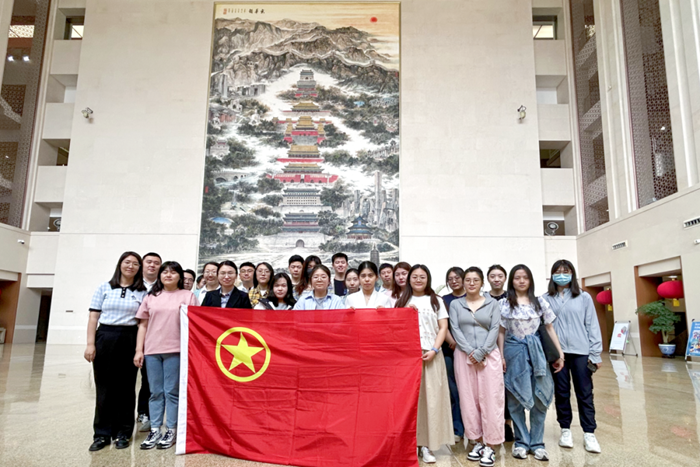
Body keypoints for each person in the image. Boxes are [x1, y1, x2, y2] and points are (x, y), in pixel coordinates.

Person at [497, 264, 565, 461]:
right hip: (513, 352)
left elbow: (549, 328)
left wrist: (559, 353)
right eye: (517, 277)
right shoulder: (504, 304)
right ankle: (521, 442)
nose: (521, 281)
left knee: (540, 396)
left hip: (537, 353)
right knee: (515, 398)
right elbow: (501, 332)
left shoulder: (540, 302)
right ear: (512, 281)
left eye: (525, 277)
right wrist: (501, 356)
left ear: (530, 280)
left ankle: (537, 442)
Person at [84, 251, 148, 451]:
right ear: (120, 264)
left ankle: (123, 433)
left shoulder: (143, 292)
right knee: (104, 387)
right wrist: (90, 344)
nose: (131, 266)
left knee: (127, 388)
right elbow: (93, 318)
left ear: (139, 268)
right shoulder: (104, 287)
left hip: (130, 337)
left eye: (135, 263)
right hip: (105, 336)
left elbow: (143, 323)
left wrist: (139, 350)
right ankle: (102, 434)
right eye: (127, 262)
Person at [134, 261, 197, 450]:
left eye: (173, 272)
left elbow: (195, 324)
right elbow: (143, 325)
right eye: (165, 272)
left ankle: (171, 429)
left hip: (176, 351)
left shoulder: (188, 296)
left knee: (171, 391)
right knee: (155, 392)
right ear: (160, 276)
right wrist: (139, 350)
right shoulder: (151, 297)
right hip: (152, 350)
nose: (168, 275)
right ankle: (155, 429)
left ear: (180, 277)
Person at [542, 260, 602, 453]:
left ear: (572, 274)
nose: (562, 275)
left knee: (585, 392)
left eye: (566, 271)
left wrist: (595, 353)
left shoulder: (584, 297)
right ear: (552, 275)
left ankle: (589, 433)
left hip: (580, 351)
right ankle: (565, 430)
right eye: (558, 272)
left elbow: (592, 325)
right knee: (561, 392)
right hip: (556, 353)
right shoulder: (545, 299)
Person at [396, 264, 453, 464]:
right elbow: (394, 327)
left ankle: (428, 445)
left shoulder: (436, 300)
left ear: (427, 279)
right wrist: (405, 312)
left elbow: (443, 327)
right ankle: (412, 443)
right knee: (411, 402)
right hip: (407, 358)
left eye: (422, 276)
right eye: (415, 276)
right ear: (409, 279)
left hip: (431, 355)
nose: (418, 280)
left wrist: (435, 350)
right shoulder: (401, 300)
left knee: (432, 400)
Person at [450, 267, 504, 467]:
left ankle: (491, 445)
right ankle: (478, 441)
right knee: (468, 399)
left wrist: (481, 352)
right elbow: (455, 329)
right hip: (464, 356)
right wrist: (470, 351)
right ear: (463, 282)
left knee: (491, 399)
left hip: (488, 356)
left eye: (475, 280)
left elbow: (495, 328)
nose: (471, 283)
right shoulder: (455, 304)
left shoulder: (493, 304)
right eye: (468, 280)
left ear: (482, 283)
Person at [485, 264, 512, 441]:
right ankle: (491, 422)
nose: (496, 279)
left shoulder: (512, 297)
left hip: (510, 346)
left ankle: (508, 423)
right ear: (487, 278)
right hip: (487, 347)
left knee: (508, 386)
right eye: (493, 276)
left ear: (505, 278)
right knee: (490, 387)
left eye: (500, 276)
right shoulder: (483, 298)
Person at [441, 267, 466, 444]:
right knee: (454, 390)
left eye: (457, 277)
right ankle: (457, 428)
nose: (454, 281)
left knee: (471, 390)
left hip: (472, 351)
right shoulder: (444, 300)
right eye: (450, 279)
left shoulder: (473, 298)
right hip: (450, 349)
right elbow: (442, 325)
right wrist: (453, 343)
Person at [137, 252, 162, 430]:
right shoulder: (133, 284)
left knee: (148, 378)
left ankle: (145, 413)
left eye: (156, 263)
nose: (152, 265)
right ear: (142, 264)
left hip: (153, 337)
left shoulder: (162, 288)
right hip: (130, 333)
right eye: (149, 262)